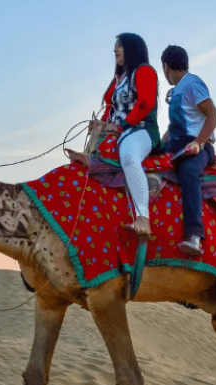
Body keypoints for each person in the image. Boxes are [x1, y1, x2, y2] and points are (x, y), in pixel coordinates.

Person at [92, 33, 161, 240]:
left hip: (140, 130)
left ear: (131, 48)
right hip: (119, 132)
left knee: (129, 157)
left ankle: (143, 217)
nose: (115, 50)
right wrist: (101, 125)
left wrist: (120, 127)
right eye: (115, 46)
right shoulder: (118, 80)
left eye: (119, 46)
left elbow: (145, 103)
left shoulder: (144, 71)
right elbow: (109, 108)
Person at [160, 45, 216, 256]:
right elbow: (174, 128)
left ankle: (194, 235)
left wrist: (199, 142)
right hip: (177, 147)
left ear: (166, 67)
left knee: (188, 172)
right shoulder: (177, 92)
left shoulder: (192, 84)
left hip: (199, 148)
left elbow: (213, 115)